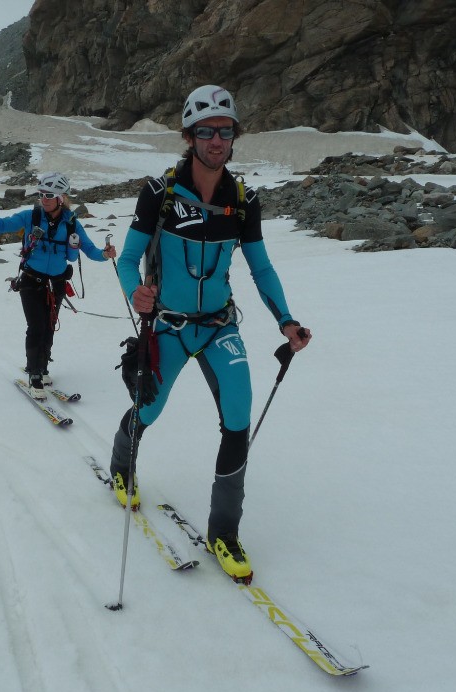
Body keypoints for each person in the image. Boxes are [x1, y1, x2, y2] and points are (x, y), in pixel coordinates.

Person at [109, 85, 312, 581]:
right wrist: (136, 292)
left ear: (234, 136)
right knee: (149, 407)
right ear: (190, 136)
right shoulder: (159, 195)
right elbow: (130, 260)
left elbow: (261, 269)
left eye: (225, 131)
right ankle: (121, 464)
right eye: (206, 131)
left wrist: (286, 320)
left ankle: (224, 532)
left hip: (219, 325)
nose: (216, 140)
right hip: (171, 326)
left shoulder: (243, 202)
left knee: (238, 413)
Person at [0, 172, 116, 399]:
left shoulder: (71, 223)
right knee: (36, 326)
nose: (44, 199)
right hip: (31, 280)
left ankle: (43, 365)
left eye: (50, 195)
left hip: (57, 283)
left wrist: (105, 254)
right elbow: (2, 225)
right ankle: (35, 373)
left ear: (61, 198)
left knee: (49, 326)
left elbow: (89, 250)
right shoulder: (31, 216)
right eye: (42, 194)